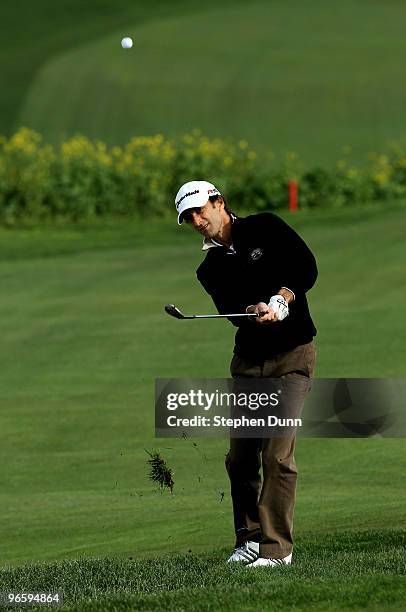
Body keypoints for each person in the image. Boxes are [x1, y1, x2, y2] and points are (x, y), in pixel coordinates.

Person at [174, 180, 317, 568]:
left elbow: (306, 266)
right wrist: (253, 308)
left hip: (292, 357)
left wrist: (282, 299)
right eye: (189, 217)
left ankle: (277, 550)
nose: (197, 220)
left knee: (276, 455)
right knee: (239, 459)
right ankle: (249, 540)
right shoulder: (209, 269)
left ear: (220, 202)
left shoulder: (266, 227)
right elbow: (231, 309)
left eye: (201, 210)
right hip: (249, 363)